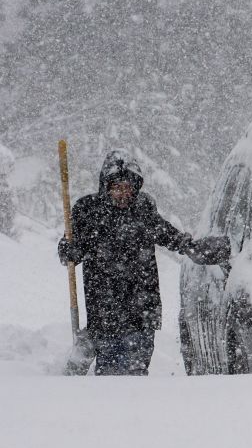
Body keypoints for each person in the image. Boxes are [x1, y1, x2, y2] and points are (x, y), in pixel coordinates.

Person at [57, 149, 231, 375]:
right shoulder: (88, 211)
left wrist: (191, 247)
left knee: (135, 372)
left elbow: (166, 233)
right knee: (110, 375)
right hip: (104, 308)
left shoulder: (143, 208)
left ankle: (137, 406)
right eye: (117, 188)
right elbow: (70, 250)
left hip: (142, 307)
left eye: (128, 187)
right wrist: (69, 249)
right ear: (106, 186)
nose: (123, 194)